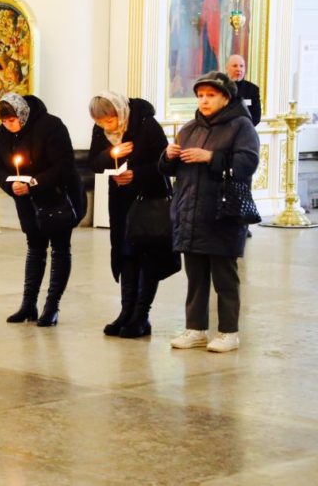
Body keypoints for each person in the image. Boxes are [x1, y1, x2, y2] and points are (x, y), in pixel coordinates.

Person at [161, 71, 259, 353]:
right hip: (191, 211)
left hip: (222, 212)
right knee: (195, 276)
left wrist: (211, 157)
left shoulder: (241, 126)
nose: (204, 100)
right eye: (200, 95)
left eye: (210, 95)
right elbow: (169, 169)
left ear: (225, 97)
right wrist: (167, 156)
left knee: (224, 277)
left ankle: (229, 332)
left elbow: (247, 163)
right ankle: (196, 329)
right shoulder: (190, 128)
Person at [88, 91, 181, 338]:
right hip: (120, 199)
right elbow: (93, 163)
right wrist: (110, 154)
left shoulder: (145, 124)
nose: (107, 126)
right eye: (101, 122)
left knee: (148, 255)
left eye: (110, 120)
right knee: (125, 253)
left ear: (119, 110)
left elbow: (165, 163)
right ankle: (125, 311)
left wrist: (136, 174)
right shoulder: (101, 130)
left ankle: (141, 315)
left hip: (149, 198)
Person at [0, 92, 85, 327]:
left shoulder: (51, 125)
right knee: (35, 248)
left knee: (60, 249)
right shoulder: (3, 132)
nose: (8, 126)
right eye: (3, 121)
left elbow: (64, 166)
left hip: (57, 197)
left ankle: (52, 306)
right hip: (26, 200)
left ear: (22, 114)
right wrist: (11, 185)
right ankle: (28, 304)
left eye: (11, 120)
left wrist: (33, 183)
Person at [226, 54, 262, 126]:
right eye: (235, 66)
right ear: (227, 68)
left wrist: (242, 128)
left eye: (241, 66)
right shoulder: (219, 87)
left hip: (245, 132)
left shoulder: (253, 89)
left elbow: (256, 116)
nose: (238, 69)